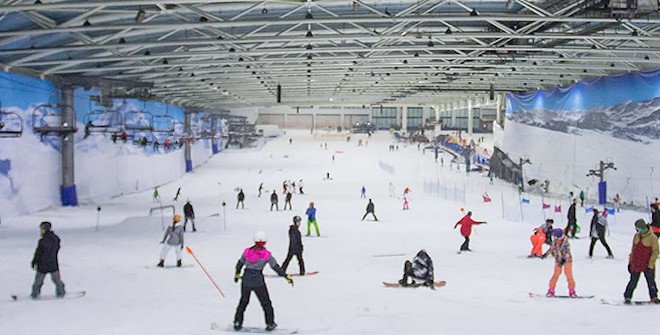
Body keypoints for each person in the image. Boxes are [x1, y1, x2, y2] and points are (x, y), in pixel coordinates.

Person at [233, 232, 293, 331]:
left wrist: (237, 274)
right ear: (265, 242)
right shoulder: (266, 255)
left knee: (243, 302)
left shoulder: (247, 252)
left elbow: (239, 264)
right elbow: (275, 267)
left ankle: (237, 322)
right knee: (266, 303)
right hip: (258, 282)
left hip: (246, 280)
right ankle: (270, 323)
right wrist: (286, 276)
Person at [623, 219, 660, 304]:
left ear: (643, 228)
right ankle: (627, 296)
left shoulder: (652, 237)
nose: (637, 230)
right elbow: (633, 249)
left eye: (638, 229)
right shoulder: (636, 236)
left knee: (651, 281)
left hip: (648, 264)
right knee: (633, 281)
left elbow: (655, 251)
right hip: (636, 263)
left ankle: (654, 297)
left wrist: (651, 264)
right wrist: (630, 262)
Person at [31, 222, 65, 299]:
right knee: (57, 280)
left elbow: (38, 253)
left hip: (43, 265)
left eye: (41, 229)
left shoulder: (42, 241)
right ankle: (61, 293)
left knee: (38, 282)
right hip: (53, 264)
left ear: (45, 229)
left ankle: (34, 295)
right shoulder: (56, 238)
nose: (40, 231)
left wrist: (34, 261)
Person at [546, 228, 577, 297]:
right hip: (558, 260)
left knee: (569, 275)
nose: (555, 238)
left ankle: (572, 291)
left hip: (567, 260)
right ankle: (551, 290)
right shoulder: (555, 241)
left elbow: (567, 252)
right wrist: (546, 254)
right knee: (555, 275)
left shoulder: (565, 242)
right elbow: (552, 248)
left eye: (555, 237)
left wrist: (563, 259)